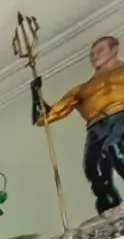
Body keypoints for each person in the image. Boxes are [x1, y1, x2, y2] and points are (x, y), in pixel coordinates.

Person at [32, 35, 124, 214]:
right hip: (96, 129)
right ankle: (112, 216)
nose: (94, 56)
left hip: (121, 118)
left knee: (117, 149)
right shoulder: (82, 89)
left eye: (100, 50)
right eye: (91, 53)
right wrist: (36, 93)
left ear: (114, 49)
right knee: (94, 170)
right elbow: (44, 117)